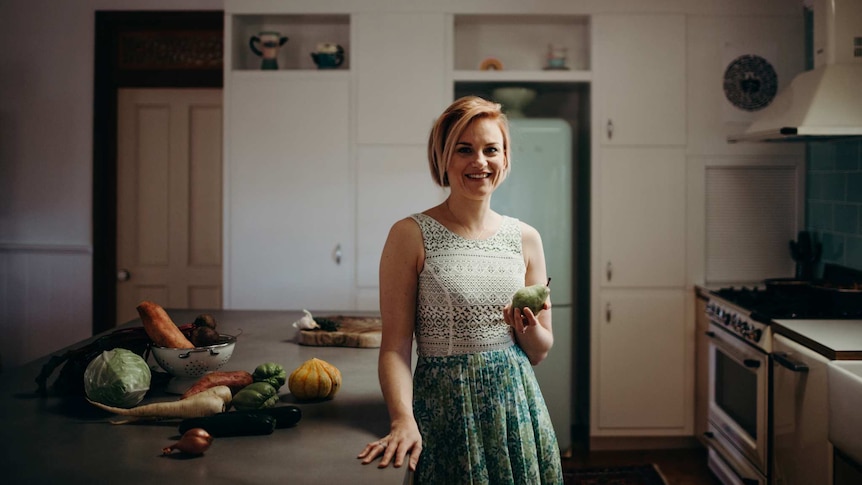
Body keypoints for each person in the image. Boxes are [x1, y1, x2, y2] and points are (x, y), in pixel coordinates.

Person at [357, 96, 564, 484]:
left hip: (516, 408)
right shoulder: (410, 235)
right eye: (464, 150)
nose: (479, 162)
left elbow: (539, 351)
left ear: (505, 159)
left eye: (491, 150)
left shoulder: (526, 239)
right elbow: (395, 347)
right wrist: (403, 419)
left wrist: (527, 327)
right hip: (445, 410)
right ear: (443, 158)